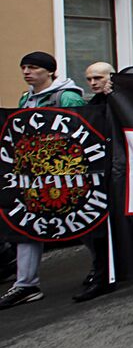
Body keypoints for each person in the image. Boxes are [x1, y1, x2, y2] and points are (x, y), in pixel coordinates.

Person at [1, 52, 86, 309]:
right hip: (34, 176)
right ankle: (26, 284)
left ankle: (104, 271)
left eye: (33, 67)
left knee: (84, 220)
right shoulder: (26, 98)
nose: (27, 72)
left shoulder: (68, 97)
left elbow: (82, 130)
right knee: (27, 224)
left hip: (65, 173)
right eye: (24, 67)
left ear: (50, 71)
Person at [73, 62, 119, 303]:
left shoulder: (122, 102)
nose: (92, 83)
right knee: (96, 227)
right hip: (98, 175)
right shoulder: (91, 107)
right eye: (89, 79)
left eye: (98, 78)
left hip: (121, 173)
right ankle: (102, 272)